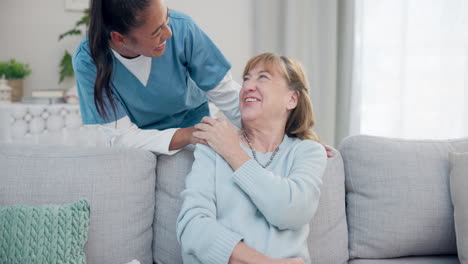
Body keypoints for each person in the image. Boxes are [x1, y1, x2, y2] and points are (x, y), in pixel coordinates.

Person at [176, 53, 327, 264]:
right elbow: (192, 226)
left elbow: (292, 211)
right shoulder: (212, 146)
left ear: (291, 99)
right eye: (246, 78)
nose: (247, 87)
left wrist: (234, 153)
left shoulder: (307, 152)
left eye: (263, 77)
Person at [73, 0, 240, 155]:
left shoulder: (183, 29)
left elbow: (227, 93)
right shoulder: (88, 61)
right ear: (119, 38)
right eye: (156, 32)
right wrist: (187, 135)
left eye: (166, 20)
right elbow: (122, 136)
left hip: (194, 130)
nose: (168, 33)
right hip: (140, 144)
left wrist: (261, 130)